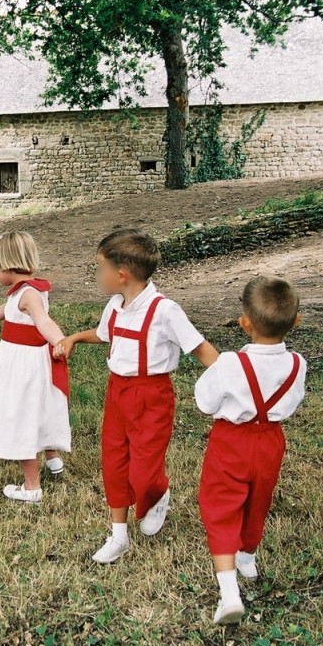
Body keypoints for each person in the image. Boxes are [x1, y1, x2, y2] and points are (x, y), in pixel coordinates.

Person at [55, 229, 218, 562]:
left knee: (144, 469)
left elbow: (201, 350)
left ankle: (157, 492)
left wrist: (232, 381)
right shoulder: (115, 305)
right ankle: (118, 535)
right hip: (118, 392)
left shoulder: (164, 311)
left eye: (100, 267)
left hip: (151, 396)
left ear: (122, 274)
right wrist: (73, 338)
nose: (97, 275)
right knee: (114, 462)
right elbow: (103, 335)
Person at [194, 276, 307, 624]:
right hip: (271, 441)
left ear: (244, 323)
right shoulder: (297, 364)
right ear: (295, 322)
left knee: (220, 505)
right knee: (259, 497)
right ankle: (247, 557)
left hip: (232, 440)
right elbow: (293, 401)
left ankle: (229, 594)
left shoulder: (229, 363)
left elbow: (204, 401)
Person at [0, 231, 70, 502]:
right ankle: (52, 458)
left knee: (21, 414)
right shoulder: (26, 290)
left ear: (9, 267)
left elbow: (43, 322)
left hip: (23, 366)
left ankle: (31, 487)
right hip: (24, 362)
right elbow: (7, 309)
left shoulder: (29, 295)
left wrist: (59, 340)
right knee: (38, 408)